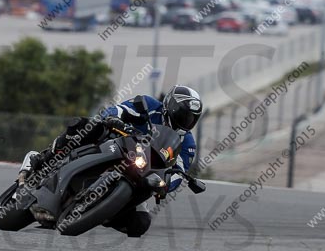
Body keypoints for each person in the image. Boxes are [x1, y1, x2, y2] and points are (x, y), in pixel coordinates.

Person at [19, 84, 204, 237]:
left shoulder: (187, 144)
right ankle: (43, 158)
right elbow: (118, 110)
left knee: (140, 224)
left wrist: (167, 185)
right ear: (170, 107)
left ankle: (102, 212)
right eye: (183, 115)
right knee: (88, 127)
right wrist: (114, 119)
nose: (186, 122)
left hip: (141, 172)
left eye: (191, 119)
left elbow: (180, 170)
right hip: (117, 143)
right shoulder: (148, 105)